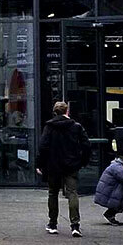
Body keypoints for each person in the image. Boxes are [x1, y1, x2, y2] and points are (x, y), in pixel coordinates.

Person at [34, 101, 91, 237]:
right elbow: (86, 145)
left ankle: (53, 223)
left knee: (53, 193)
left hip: (53, 165)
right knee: (72, 193)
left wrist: (40, 164)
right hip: (71, 164)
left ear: (55, 112)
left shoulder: (49, 126)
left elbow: (43, 146)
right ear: (67, 111)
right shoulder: (76, 126)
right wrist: (82, 162)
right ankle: (75, 225)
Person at [93, 153, 123, 225]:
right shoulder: (118, 168)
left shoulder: (117, 165)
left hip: (108, 193)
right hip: (108, 194)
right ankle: (110, 214)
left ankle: (110, 213)